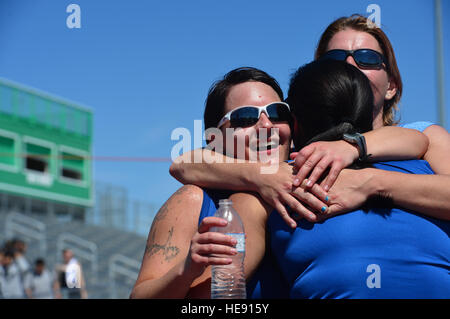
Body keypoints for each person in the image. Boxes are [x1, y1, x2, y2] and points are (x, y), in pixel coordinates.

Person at [131, 67, 427, 299]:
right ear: (215, 137)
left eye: (277, 112)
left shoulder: (319, 171)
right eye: (245, 118)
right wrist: (186, 271)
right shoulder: (195, 200)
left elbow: (416, 139)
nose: (266, 125)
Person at [169, 14, 450, 226]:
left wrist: (364, 172)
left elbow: (416, 141)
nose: (350, 65)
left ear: (392, 85)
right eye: (335, 58)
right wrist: (263, 176)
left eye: (366, 58)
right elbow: (186, 162)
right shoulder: (297, 149)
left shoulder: (422, 136)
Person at [267, 59, 449, 298]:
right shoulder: (423, 164)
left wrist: (369, 180)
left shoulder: (283, 186)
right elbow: (419, 140)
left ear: (296, 123)